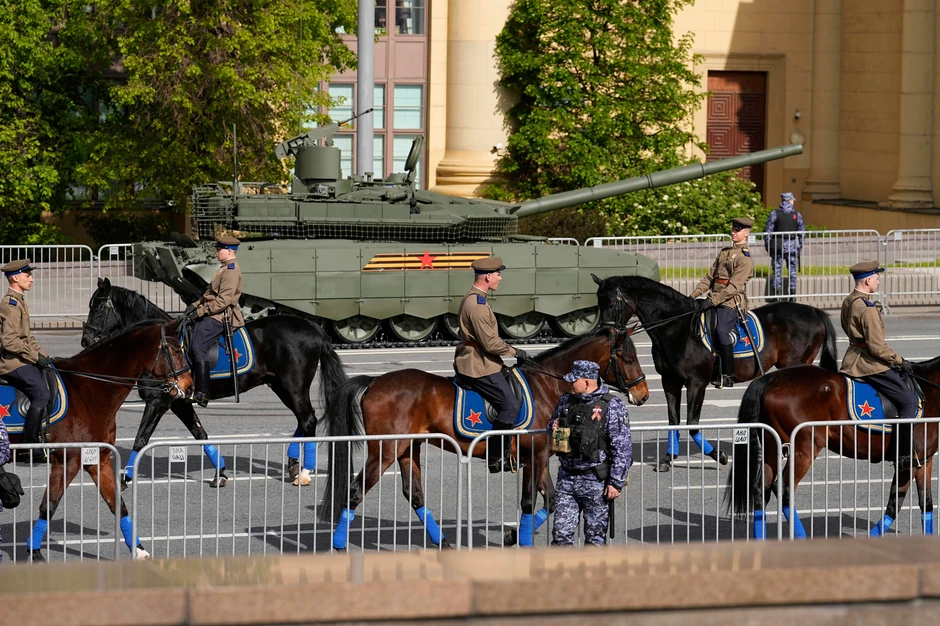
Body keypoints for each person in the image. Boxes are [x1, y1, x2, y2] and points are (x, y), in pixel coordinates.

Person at [840, 261, 919, 466]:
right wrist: (900, 360)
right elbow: (877, 348)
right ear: (868, 280)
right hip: (869, 363)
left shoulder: (849, 300)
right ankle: (903, 455)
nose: (879, 280)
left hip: (852, 357)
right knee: (909, 401)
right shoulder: (867, 308)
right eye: (876, 277)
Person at [453, 256, 527, 473]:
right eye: (497, 274)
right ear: (488, 276)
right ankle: (496, 458)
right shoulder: (477, 305)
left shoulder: (476, 298)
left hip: (480, 358)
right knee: (510, 405)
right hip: (479, 364)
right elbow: (491, 343)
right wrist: (516, 352)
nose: (500, 278)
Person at [549, 360, 631, 547]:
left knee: (595, 539)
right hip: (567, 479)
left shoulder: (612, 405)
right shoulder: (566, 400)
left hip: (596, 481)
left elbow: (623, 448)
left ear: (587, 382)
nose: (569, 384)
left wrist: (616, 483)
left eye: (574, 380)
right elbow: (552, 424)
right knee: (561, 536)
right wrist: (552, 426)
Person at [689, 217, 755, 389]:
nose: (733, 232)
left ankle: (728, 374)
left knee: (721, 331)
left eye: (738, 230)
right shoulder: (724, 253)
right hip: (714, 298)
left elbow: (733, 287)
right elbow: (710, 278)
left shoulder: (745, 259)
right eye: (733, 229)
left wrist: (712, 300)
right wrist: (693, 296)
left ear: (746, 233)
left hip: (730, 302)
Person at [0, 259, 51, 461]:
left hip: (20, 358)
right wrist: (34, 357)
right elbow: (10, 341)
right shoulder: (10, 305)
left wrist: (44, 357)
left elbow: (27, 338)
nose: (31, 279)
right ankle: (28, 448)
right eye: (27, 275)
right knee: (41, 394)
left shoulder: (19, 300)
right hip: (11, 362)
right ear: (15, 278)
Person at [187, 235, 244, 408]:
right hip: (213, 310)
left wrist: (201, 311)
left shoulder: (232, 270)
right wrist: (194, 305)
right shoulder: (224, 268)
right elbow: (210, 294)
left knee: (198, 345)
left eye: (219, 249)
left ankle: (203, 392)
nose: (216, 252)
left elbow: (223, 301)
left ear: (229, 251)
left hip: (221, 315)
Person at [764, 192, 805, 301]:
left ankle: (776, 295)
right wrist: (799, 246)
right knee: (792, 271)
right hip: (792, 247)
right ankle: (792, 295)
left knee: (777, 270)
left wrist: (768, 246)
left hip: (777, 246)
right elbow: (802, 232)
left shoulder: (775, 214)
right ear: (790, 200)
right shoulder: (797, 214)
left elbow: (768, 231)